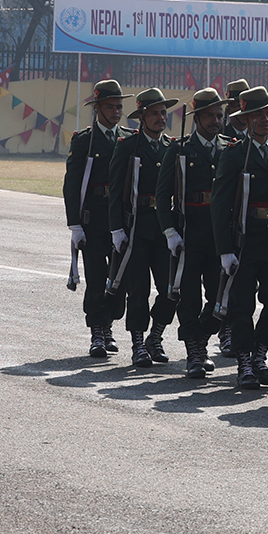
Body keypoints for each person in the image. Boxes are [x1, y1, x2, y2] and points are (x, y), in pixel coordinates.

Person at [213, 86, 268, 389]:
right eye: (259, 115)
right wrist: (225, 249)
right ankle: (244, 361)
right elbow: (220, 204)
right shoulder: (234, 154)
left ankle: (259, 355)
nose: (266, 120)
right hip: (246, 238)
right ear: (245, 119)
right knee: (242, 304)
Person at [155, 86, 228, 378]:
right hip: (189, 231)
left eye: (219, 115)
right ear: (196, 118)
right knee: (188, 296)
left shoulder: (229, 148)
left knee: (220, 296)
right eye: (209, 116)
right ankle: (195, 351)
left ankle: (203, 336)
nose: (215, 121)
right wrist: (169, 230)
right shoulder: (179, 149)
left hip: (219, 234)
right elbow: (163, 195)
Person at [108, 87, 180, 368]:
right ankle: (138, 343)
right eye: (155, 113)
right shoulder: (128, 146)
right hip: (136, 227)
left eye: (163, 113)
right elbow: (116, 191)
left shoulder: (171, 146)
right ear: (142, 117)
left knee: (171, 288)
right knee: (137, 291)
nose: (161, 118)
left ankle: (156, 336)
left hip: (163, 228)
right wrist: (117, 228)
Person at [65, 79, 130, 358]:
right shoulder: (85, 140)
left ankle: (109, 324)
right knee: (96, 277)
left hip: (122, 219)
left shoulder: (129, 139)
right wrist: (75, 224)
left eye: (119, 107)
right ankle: (98, 332)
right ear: (98, 108)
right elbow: (72, 184)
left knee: (120, 278)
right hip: (94, 219)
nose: (116, 112)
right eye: (110, 107)